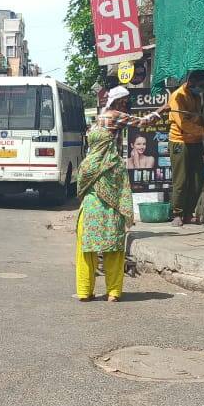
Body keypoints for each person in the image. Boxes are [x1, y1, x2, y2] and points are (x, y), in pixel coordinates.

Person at [76, 123, 136, 302]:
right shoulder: (117, 164)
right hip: (113, 214)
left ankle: (84, 292)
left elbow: (80, 189)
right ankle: (113, 293)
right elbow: (124, 190)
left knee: (86, 253)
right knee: (115, 254)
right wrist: (127, 213)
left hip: (90, 213)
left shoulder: (87, 164)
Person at [167, 70, 204, 226]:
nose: (202, 89)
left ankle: (189, 213)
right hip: (180, 141)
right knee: (181, 180)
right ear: (191, 81)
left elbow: (196, 118)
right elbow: (184, 124)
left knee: (197, 180)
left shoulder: (197, 96)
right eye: (201, 85)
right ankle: (177, 213)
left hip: (195, 142)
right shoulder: (177, 96)